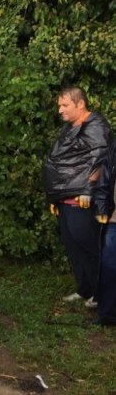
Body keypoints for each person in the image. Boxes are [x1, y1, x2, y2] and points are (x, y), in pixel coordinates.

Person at [42, 87, 111, 308]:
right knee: (74, 248)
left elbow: (101, 161)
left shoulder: (96, 128)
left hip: (83, 201)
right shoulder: (69, 128)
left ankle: (101, 295)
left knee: (91, 248)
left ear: (80, 104)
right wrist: (55, 197)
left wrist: (89, 191)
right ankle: (84, 289)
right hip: (66, 200)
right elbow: (60, 161)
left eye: (65, 105)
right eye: (59, 105)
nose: (60, 110)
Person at [93, 139, 116, 326]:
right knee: (109, 266)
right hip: (115, 218)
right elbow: (104, 178)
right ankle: (107, 314)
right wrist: (101, 207)